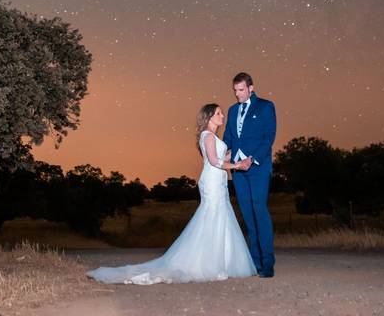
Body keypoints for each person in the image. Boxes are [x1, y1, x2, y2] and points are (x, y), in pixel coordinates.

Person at [87, 104, 257, 284]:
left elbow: (222, 158)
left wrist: (241, 158)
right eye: (218, 113)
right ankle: (206, 263)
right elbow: (214, 161)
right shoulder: (207, 136)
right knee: (212, 216)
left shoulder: (213, 137)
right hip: (212, 181)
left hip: (219, 180)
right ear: (209, 117)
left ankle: (221, 263)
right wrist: (237, 166)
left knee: (220, 217)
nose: (222, 116)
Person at [223, 72, 276, 277]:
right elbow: (228, 137)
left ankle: (268, 262)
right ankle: (255, 262)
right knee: (247, 215)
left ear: (251, 88)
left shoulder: (265, 106)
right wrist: (215, 151)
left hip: (257, 168)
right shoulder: (232, 110)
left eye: (241, 90)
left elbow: (268, 137)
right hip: (238, 170)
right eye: (235, 91)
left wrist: (252, 159)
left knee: (259, 211)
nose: (238, 94)